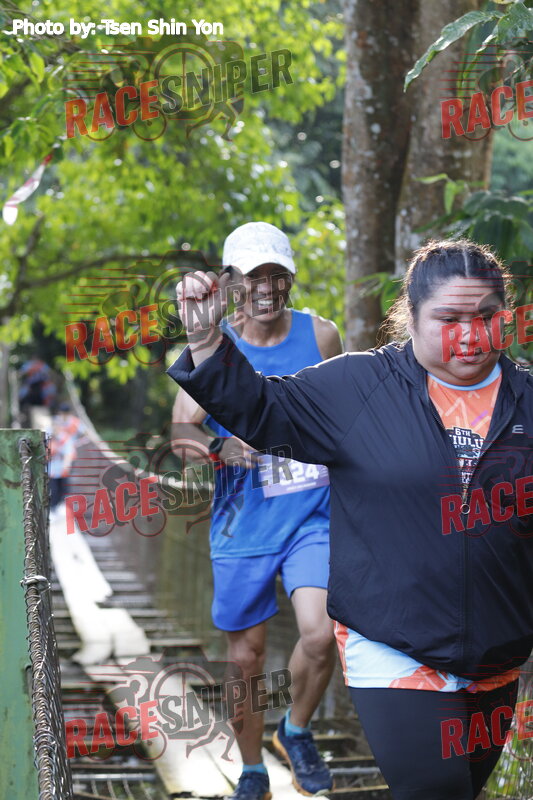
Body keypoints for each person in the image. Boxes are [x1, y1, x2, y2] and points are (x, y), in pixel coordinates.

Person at [168, 238, 533, 800]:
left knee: (463, 787)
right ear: (411, 317)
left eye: (486, 317)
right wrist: (206, 339)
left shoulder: (526, 398)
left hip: (497, 652)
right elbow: (263, 409)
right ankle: (267, 754)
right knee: (435, 788)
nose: (471, 335)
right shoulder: (361, 386)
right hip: (392, 642)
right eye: (449, 319)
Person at [171, 222, 343, 800]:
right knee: (245, 658)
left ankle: (295, 729)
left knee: (321, 633)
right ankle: (251, 770)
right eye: (252, 277)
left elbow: (343, 413)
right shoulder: (213, 347)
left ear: (290, 279)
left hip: (310, 514)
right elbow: (180, 433)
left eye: (276, 275)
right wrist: (220, 449)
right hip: (242, 522)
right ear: (231, 284)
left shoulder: (322, 335)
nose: (265, 288)